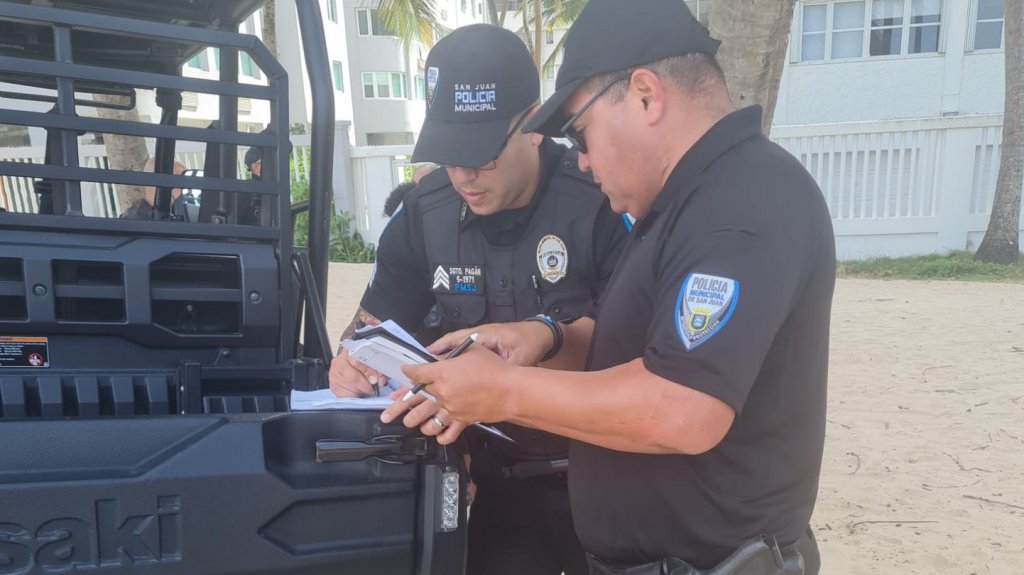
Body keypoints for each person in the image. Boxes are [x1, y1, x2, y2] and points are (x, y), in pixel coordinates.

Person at [386, 1, 836, 573]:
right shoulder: (682, 203)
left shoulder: (741, 200)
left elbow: (683, 407)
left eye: (581, 132)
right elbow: (640, 357)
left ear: (646, 95)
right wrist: (544, 339)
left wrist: (504, 391)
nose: (581, 159)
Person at [329, 24, 627, 575]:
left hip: (607, 475)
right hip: (495, 484)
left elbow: (637, 356)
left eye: (483, 154)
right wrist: (351, 360)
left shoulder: (604, 199)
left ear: (535, 125)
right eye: (449, 153)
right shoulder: (424, 214)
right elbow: (368, 330)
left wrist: (542, 341)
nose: (464, 174)